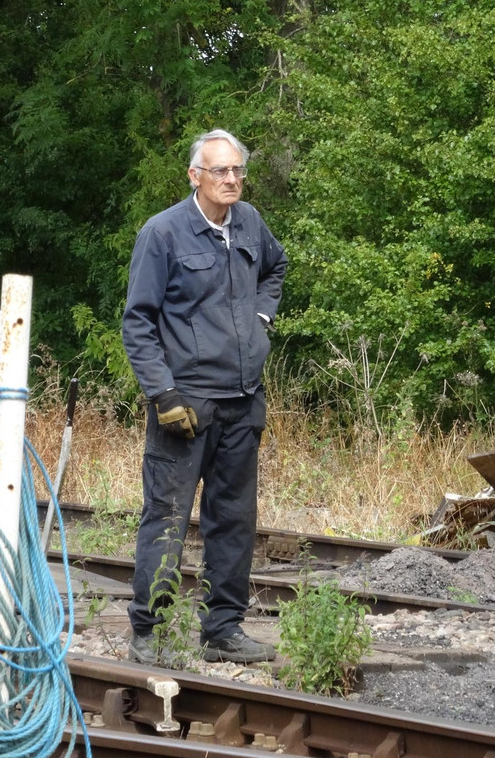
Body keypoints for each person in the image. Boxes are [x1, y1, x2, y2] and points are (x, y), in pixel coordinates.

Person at [122, 128, 287, 664]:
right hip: (186, 404)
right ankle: (149, 632)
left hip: (243, 399)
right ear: (195, 175)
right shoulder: (163, 233)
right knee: (167, 515)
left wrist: (262, 317)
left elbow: (276, 267)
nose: (232, 179)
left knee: (234, 518)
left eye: (238, 170)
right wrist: (162, 392)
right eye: (221, 170)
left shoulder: (250, 224)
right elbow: (138, 323)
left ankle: (223, 629)